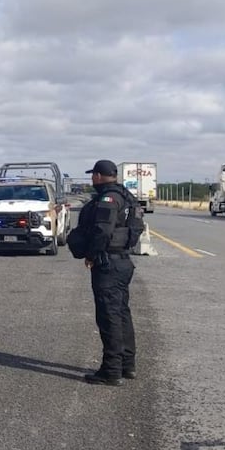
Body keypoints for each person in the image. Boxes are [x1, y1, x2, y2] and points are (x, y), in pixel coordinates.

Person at [76, 160, 136, 386]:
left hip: (108, 263)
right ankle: (127, 365)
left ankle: (111, 370)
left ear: (100, 176)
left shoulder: (108, 199)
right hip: (123, 261)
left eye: (94, 175)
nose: (92, 179)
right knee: (121, 313)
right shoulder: (126, 196)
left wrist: (91, 255)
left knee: (109, 316)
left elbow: (102, 230)